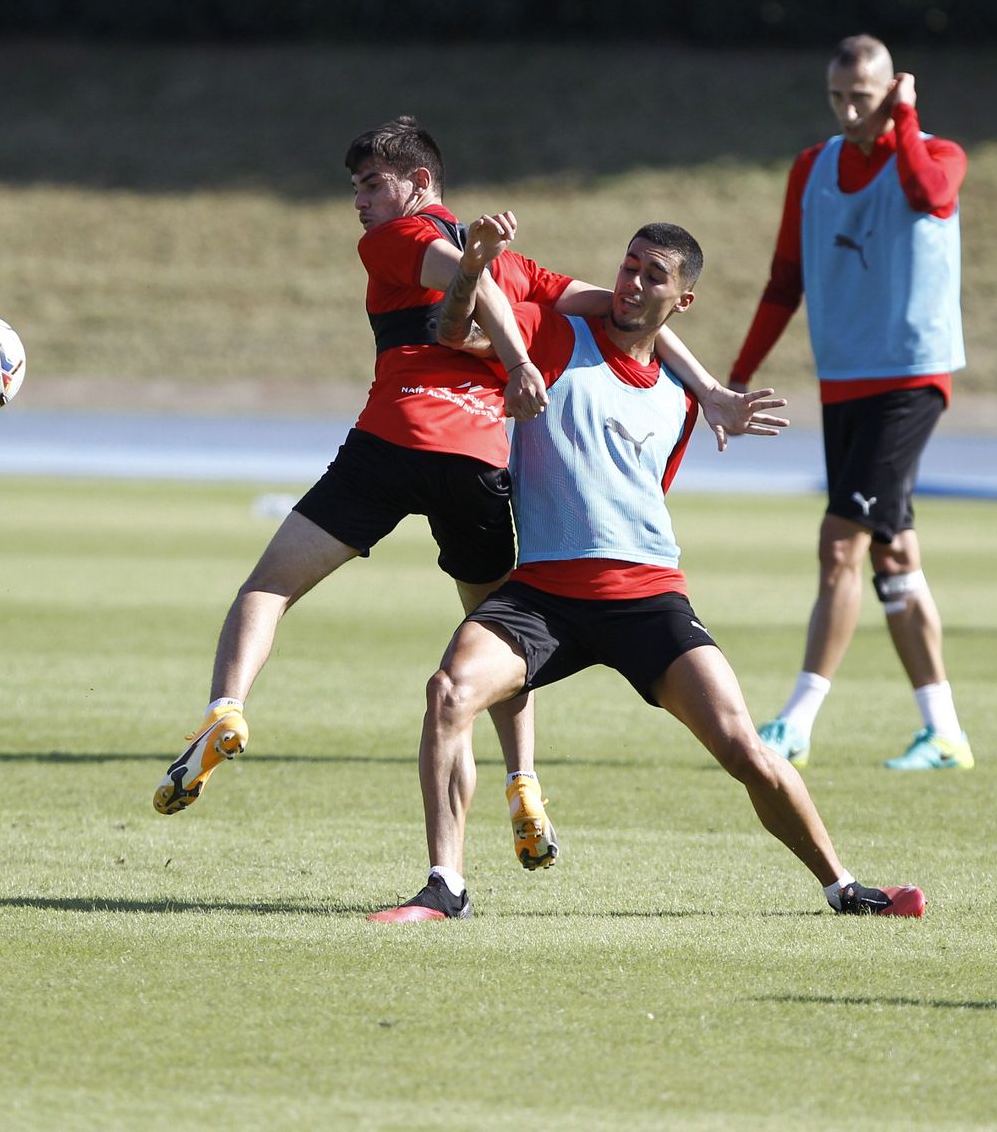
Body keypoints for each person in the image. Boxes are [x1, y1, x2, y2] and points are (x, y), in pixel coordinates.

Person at [153, 117, 749, 871]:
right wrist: (706, 384)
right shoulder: (518, 265)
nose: (361, 202)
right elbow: (625, 310)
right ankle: (524, 784)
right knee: (501, 641)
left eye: (374, 184)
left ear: (421, 184)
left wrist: (514, 342)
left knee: (269, 587)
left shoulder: (397, 239)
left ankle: (226, 708)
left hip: (393, 441)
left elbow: (469, 285)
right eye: (357, 188)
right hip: (475, 459)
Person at [369, 215, 925, 922]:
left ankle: (843, 887)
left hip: (648, 598)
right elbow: (454, 330)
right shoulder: (553, 334)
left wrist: (712, 390)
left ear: (681, 301)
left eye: (652, 276)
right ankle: (445, 886)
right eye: (628, 266)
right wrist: (474, 267)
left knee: (745, 748)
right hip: (544, 594)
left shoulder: (684, 396)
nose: (631, 283)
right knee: (449, 693)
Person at [728, 34, 974, 772]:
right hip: (845, 381)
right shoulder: (811, 168)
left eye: (861, 95)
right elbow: (784, 279)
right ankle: (944, 731)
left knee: (841, 544)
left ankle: (796, 722)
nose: (847, 109)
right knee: (893, 553)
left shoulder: (935, 152)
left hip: (910, 378)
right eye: (837, 96)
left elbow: (931, 195)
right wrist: (736, 375)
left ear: (892, 90)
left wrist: (904, 122)